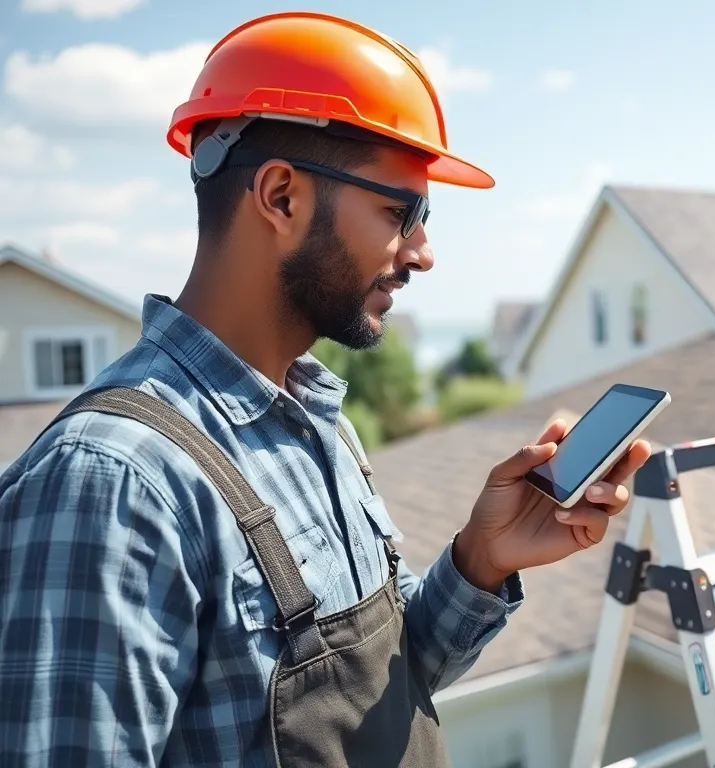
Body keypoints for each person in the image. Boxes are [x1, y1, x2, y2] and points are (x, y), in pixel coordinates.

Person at [0, 11, 651, 768]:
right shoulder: (113, 485)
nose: (424, 253)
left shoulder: (317, 424)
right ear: (281, 197)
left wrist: (482, 559)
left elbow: (385, 694)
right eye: (401, 212)